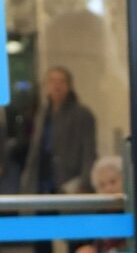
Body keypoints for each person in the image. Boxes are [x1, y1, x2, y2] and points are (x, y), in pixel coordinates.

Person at [20, 66, 96, 195]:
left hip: (69, 178)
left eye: (62, 81)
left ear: (69, 85)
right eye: (52, 81)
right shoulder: (42, 113)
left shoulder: (82, 114)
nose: (57, 86)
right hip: (42, 178)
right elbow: (35, 149)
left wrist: (84, 182)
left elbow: (89, 151)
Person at [74, 155, 127, 253]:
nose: (108, 189)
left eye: (113, 182)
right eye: (102, 185)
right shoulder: (98, 215)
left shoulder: (132, 212)